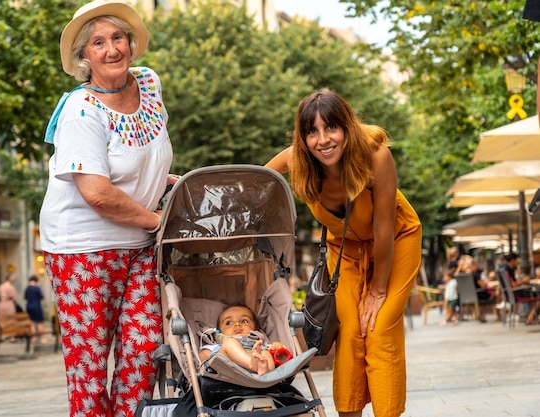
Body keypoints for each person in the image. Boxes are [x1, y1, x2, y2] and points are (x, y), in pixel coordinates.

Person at [39, 1, 177, 416]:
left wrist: (174, 184)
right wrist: (159, 220)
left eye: (118, 38)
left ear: (131, 44)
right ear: (84, 57)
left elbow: (144, 160)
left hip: (139, 244)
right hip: (83, 250)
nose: (111, 49)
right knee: (90, 368)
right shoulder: (81, 110)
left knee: (144, 352)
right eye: (98, 43)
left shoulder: (148, 84)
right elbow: (97, 191)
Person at [265, 89, 422, 417]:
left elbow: (382, 229)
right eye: (312, 131)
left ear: (347, 127)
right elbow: (257, 180)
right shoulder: (297, 158)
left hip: (396, 237)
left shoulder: (375, 155)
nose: (323, 140)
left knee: (378, 329)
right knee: (350, 332)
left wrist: (378, 290)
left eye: (331, 128)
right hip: (344, 249)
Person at [199, 304, 292, 376]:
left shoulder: (259, 343)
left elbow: (278, 354)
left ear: (255, 328)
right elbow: (201, 359)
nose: (237, 324)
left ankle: (265, 373)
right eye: (229, 322)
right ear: (219, 330)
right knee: (230, 343)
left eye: (244, 321)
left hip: (257, 372)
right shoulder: (215, 344)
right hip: (226, 371)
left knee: (265, 353)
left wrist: (277, 346)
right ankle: (252, 365)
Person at [500, 253, 540, 325]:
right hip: (516, 294)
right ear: (512, 260)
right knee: (538, 294)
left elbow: (514, 282)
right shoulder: (507, 270)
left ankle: (532, 317)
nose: (517, 262)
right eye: (516, 260)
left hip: (511, 294)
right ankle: (530, 318)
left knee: (536, 292)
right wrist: (523, 281)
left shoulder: (505, 269)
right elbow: (513, 284)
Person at [457, 255, 495, 323]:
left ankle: (480, 314)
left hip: (465, 296)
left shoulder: (462, 275)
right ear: (473, 265)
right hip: (478, 294)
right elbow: (483, 286)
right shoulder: (475, 275)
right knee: (491, 294)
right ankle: (494, 314)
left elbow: (456, 275)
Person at [24, 275, 47, 344]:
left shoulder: (27, 288)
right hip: (36, 306)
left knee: (32, 323)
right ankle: (42, 338)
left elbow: (25, 297)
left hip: (29, 306)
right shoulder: (37, 288)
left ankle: (33, 338)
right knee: (40, 322)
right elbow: (41, 297)